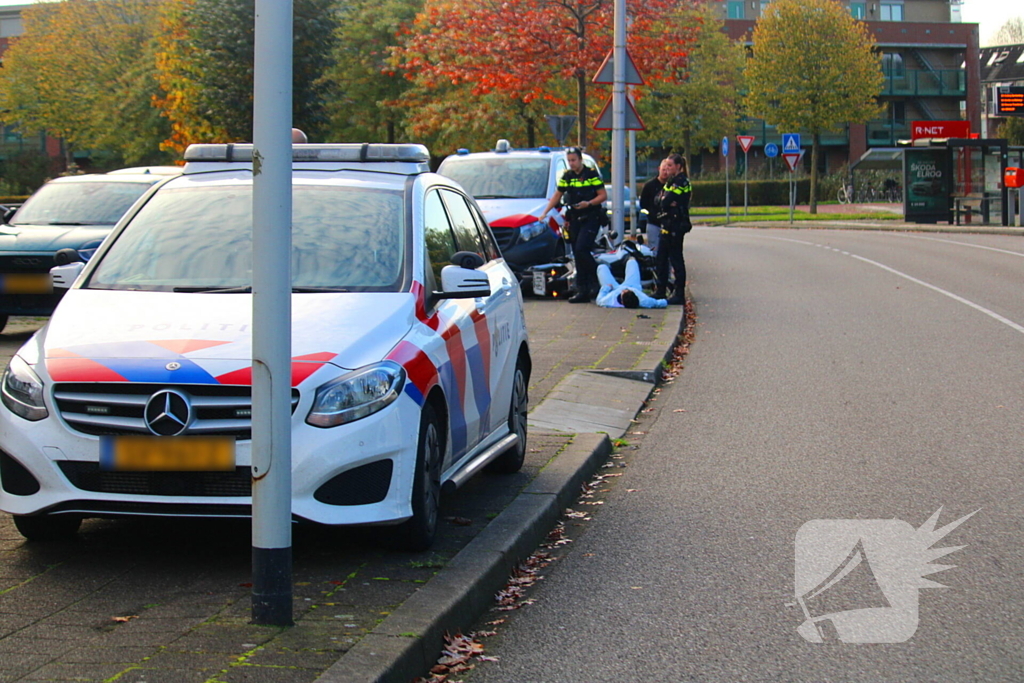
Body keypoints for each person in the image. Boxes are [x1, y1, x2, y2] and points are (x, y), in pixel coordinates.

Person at [537, 147, 607, 303]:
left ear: (580, 159)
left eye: (574, 160)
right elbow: (557, 195)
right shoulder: (567, 176)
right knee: (577, 253)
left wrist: (588, 203)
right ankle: (582, 289)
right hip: (575, 218)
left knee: (583, 248)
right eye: (569, 161)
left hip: (591, 216)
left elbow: (603, 195)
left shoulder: (591, 174)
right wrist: (545, 213)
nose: (571, 163)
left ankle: (597, 279)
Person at [652, 153, 691, 305]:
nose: (667, 169)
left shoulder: (681, 182)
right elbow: (658, 200)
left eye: (670, 165)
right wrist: (664, 199)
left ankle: (679, 293)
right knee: (661, 258)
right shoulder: (671, 182)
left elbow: (665, 201)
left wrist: (665, 199)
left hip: (676, 225)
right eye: (666, 166)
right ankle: (660, 290)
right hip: (667, 224)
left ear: (678, 167)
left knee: (676, 259)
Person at [595, 257, 667, 309]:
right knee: (632, 262)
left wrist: (606, 288)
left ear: (622, 302)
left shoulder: (608, 301)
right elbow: (659, 303)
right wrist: (666, 301)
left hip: (612, 289)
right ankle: (628, 258)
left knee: (602, 267)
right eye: (627, 291)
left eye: (623, 293)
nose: (623, 290)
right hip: (633, 286)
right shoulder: (644, 300)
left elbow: (599, 300)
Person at [639, 159, 673, 255]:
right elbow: (643, 204)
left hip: (668, 224)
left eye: (668, 170)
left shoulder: (673, 186)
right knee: (654, 250)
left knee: (669, 251)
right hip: (653, 223)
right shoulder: (649, 186)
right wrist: (652, 212)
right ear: (659, 169)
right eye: (663, 170)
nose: (666, 173)